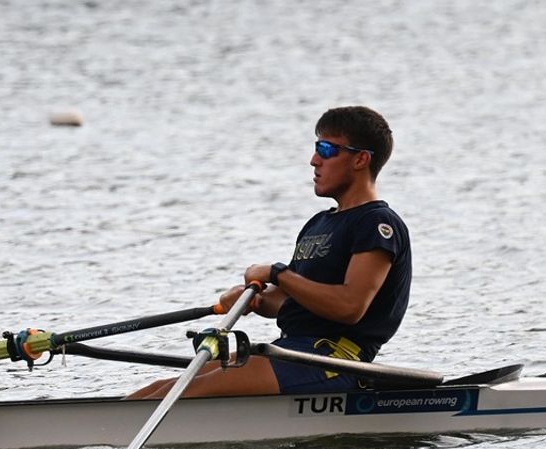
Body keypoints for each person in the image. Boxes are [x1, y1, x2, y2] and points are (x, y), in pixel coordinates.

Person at [130, 106, 410, 400]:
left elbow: (349, 307)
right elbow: (291, 300)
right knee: (155, 391)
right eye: (316, 148)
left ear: (361, 159)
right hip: (294, 352)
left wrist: (278, 273)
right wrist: (254, 300)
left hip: (334, 361)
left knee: (178, 395)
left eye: (326, 149)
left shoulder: (377, 224)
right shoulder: (318, 224)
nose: (314, 160)